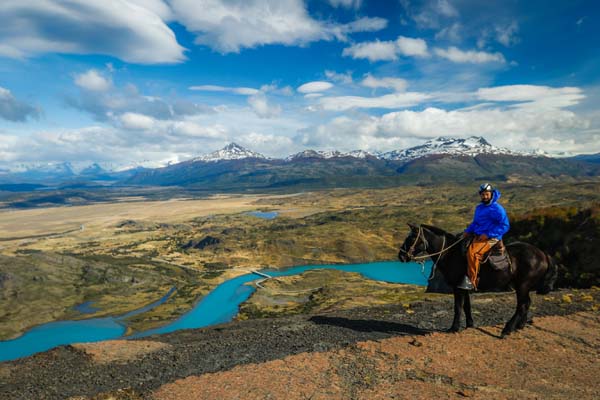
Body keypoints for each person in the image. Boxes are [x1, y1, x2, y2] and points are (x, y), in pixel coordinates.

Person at [458, 183, 510, 290]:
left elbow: (505, 226)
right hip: (478, 235)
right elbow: (475, 223)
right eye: (482, 195)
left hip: (493, 237)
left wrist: (488, 234)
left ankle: (472, 282)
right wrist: (467, 231)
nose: (485, 197)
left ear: (491, 194)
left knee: (473, 253)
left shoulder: (497, 209)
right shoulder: (479, 208)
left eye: (487, 194)